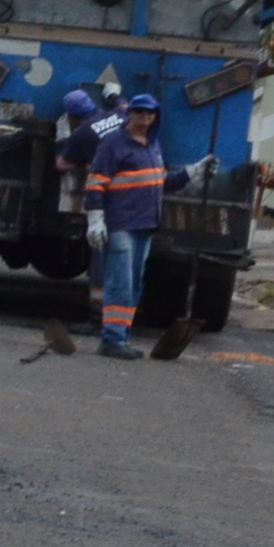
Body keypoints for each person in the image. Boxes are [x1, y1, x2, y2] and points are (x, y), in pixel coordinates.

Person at [85, 90, 171, 357]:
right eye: (139, 112)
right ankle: (111, 339)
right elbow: (96, 181)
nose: (144, 117)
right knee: (120, 283)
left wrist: (194, 172)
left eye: (149, 113)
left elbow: (162, 180)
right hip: (121, 223)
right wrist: (96, 218)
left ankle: (121, 336)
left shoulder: (152, 145)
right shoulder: (114, 143)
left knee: (133, 284)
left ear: (155, 116)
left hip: (145, 225)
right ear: (130, 113)